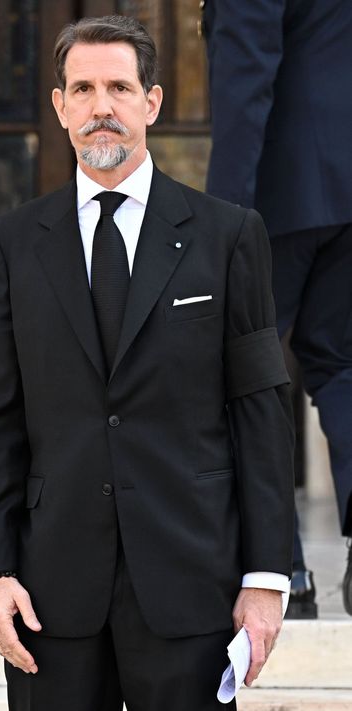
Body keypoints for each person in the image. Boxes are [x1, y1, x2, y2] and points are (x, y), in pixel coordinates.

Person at [0, 15, 295, 711]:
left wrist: (267, 574)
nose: (101, 107)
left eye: (119, 86)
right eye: (81, 89)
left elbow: (260, 411)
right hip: (48, 596)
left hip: (192, 583)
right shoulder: (13, 242)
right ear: (58, 106)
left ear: (152, 101)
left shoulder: (229, 235)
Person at [203, 0, 352, 619]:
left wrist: (223, 219)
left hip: (283, 189)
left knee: (244, 372)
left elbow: (245, 78)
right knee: (343, 364)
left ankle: (281, 570)